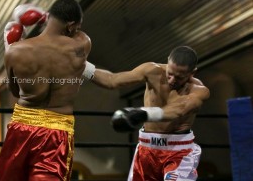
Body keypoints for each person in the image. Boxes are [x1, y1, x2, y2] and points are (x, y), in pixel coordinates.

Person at [0, 0, 91, 181]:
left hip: (22, 128)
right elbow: (79, 34)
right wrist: (45, 17)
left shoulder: (15, 51)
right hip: (56, 132)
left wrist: (9, 46)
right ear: (71, 25)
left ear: (50, 17)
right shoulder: (81, 45)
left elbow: (15, 92)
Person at [83, 46, 210, 181]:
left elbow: (178, 109)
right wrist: (82, 66)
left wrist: (143, 113)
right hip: (146, 148)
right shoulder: (151, 71)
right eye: (170, 73)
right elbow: (112, 80)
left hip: (179, 152)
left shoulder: (198, 90)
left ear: (192, 73)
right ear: (168, 62)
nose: (172, 80)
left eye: (179, 77)